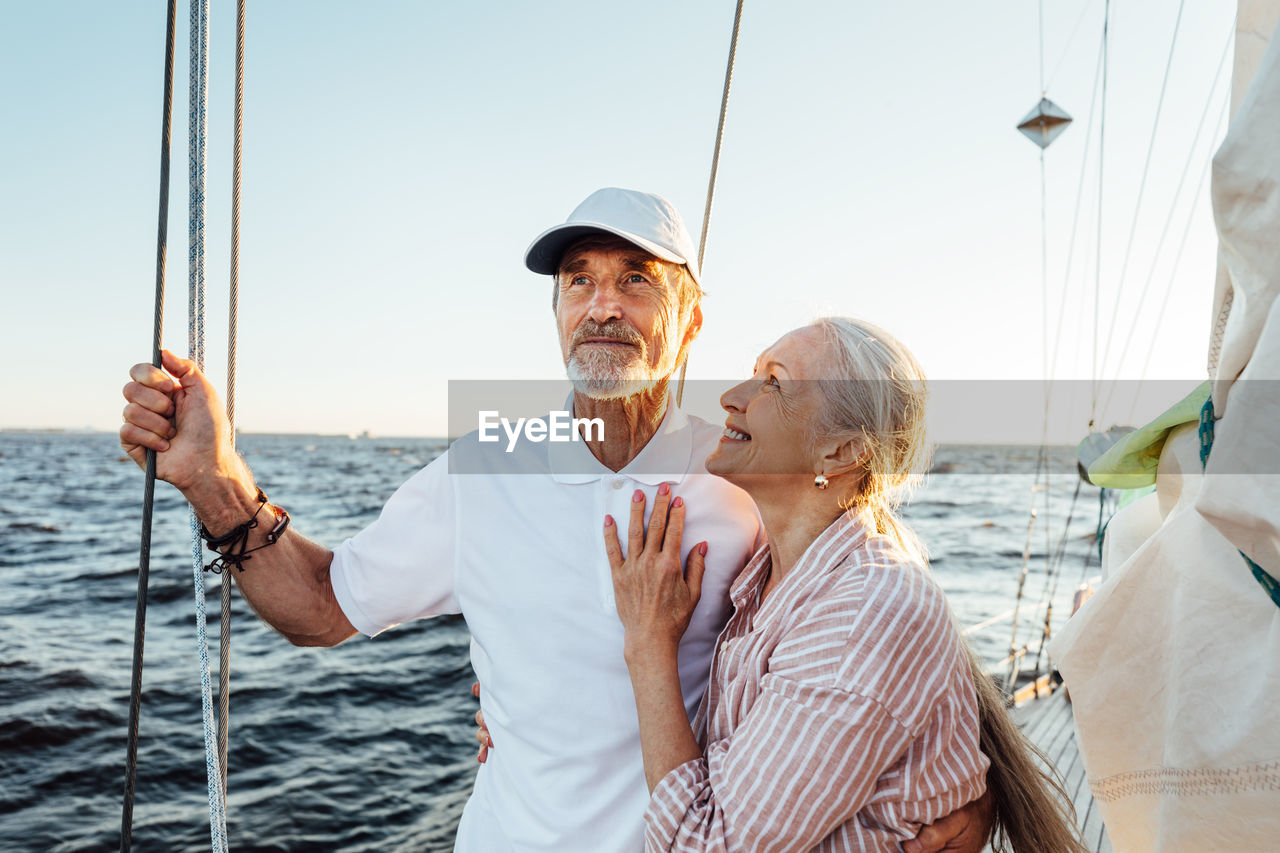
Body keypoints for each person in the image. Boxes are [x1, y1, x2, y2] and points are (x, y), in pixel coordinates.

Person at [120, 188, 992, 852]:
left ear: (689, 323)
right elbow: (319, 603)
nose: (602, 304)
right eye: (580, 280)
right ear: (557, 313)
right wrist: (212, 478)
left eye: (636, 281)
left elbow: (881, 619)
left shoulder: (742, 471)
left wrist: (974, 795)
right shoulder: (481, 469)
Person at [600, 317, 1088, 852]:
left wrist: (648, 641)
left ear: (840, 453)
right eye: (753, 373)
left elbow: (706, 845)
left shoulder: (863, 609)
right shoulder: (765, 575)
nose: (732, 397)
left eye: (775, 383)